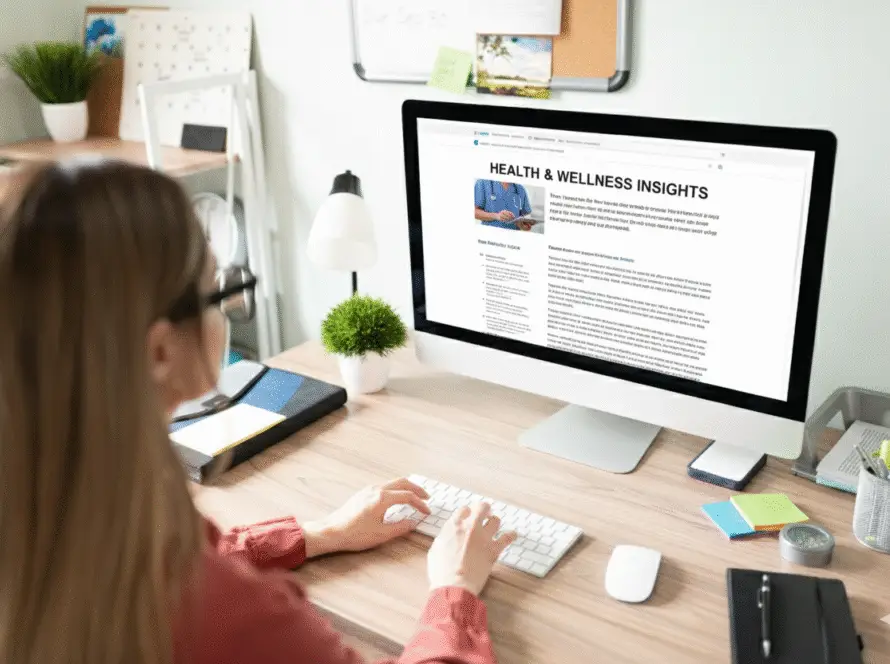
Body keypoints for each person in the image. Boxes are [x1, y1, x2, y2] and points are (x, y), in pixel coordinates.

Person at [0, 161, 518, 664]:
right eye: (217, 292)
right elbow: (202, 597)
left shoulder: (55, 521)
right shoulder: (224, 614)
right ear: (158, 352)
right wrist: (455, 590)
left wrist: (321, 535)